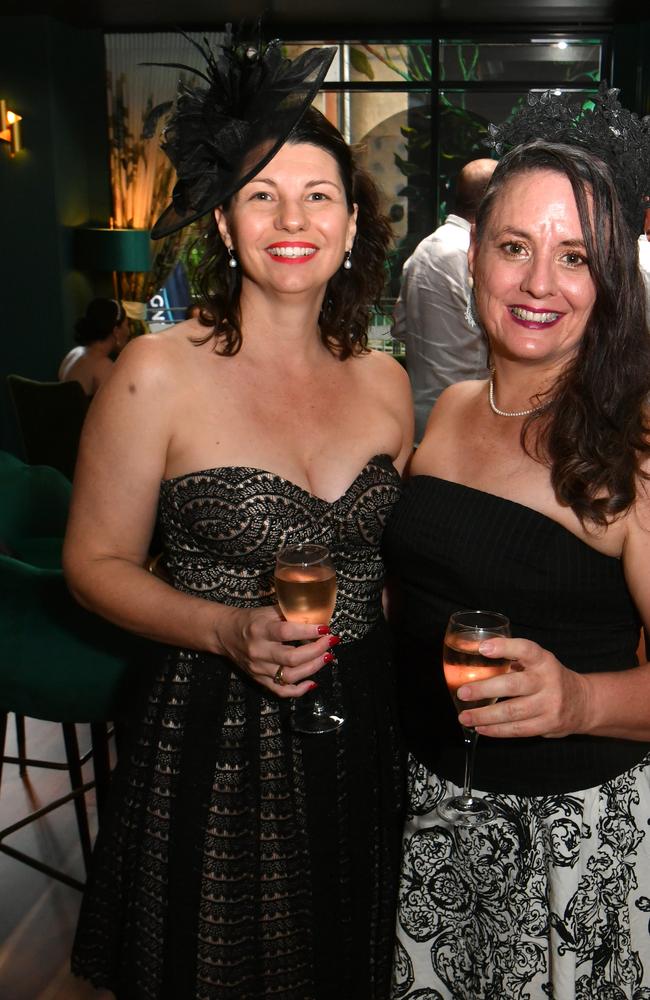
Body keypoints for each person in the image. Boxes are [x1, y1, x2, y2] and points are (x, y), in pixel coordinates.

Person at [64, 30, 412, 1000]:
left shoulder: (387, 384)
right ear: (223, 225)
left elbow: (400, 560)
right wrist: (224, 627)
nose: (289, 217)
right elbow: (93, 561)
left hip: (364, 726)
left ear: (351, 225)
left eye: (316, 196)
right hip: (211, 732)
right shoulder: (159, 370)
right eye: (260, 195)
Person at [384, 84, 650, 999]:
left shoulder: (635, 444)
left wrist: (577, 698)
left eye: (575, 257)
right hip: (427, 814)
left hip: (568, 847)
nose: (540, 284)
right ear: (472, 264)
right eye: (515, 248)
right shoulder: (454, 408)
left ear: (609, 282)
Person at [392, 158, 496, 443]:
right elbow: (499, 337)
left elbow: (400, 327)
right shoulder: (471, 255)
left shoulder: (423, 249)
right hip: (463, 419)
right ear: (492, 200)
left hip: (418, 417)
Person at [58, 298, 129, 395]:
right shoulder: (103, 367)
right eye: (127, 325)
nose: (128, 331)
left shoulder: (72, 354)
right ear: (116, 331)